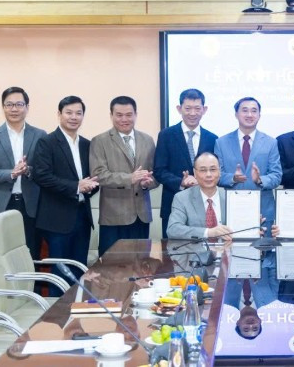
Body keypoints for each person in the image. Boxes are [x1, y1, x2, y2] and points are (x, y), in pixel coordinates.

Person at [31, 96, 99, 294]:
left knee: (79, 271)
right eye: (69, 113)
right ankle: (59, 313)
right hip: (57, 219)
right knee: (60, 274)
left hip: (82, 216)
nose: (74, 117)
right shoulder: (47, 142)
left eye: (78, 113)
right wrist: (76, 186)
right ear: (59, 114)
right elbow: (42, 176)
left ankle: (77, 309)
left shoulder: (87, 144)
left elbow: (92, 178)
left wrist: (91, 186)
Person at [0, 87, 47, 260]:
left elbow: (44, 171)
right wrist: (12, 173)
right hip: (2, 204)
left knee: (31, 254)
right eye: (9, 105)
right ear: (3, 107)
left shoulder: (40, 135)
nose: (14, 109)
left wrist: (28, 170)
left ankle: (32, 280)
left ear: (27, 107)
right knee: (2, 256)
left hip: (30, 205)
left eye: (19, 104)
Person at [91, 96, 157, 256]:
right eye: (119, 115)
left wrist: (147, 183)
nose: (124, 119)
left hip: (141, 216)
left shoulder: (148, 140)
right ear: (111, 115)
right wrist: (129, 178)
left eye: (129, 115)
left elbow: (155, 174)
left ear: (136, 115)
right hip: (113, 216)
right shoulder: (100, 141)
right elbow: (99, 175)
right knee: (112, 266)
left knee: (141, 264)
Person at [154, 88, 218, 238]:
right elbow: (159, 170)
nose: (192, 113)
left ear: (204, 110)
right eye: (188, 108)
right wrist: (181, 182)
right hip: (173, 204)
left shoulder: (213, 138)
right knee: (173, 249)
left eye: (197, 108)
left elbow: (216, 170)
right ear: (179, 108)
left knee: (207, 247)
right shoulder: (166, 135)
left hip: (205, 207)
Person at [214, 97, 282, 223]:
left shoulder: (271, 142)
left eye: (254, 111)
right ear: (236, 114)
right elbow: (216, 175)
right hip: (232, 208)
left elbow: (277, 175)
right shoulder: (221, 142)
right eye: (245, 110)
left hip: (263, 209)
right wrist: (233, 178)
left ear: (259, 115)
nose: (249, 115)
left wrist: (260, 179)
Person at [166, 152, 231, 240]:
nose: (208, 175)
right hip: (194, 248)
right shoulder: (182, 198)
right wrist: (209, 232)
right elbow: (173, 230)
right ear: (195, 173)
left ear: (219, 171)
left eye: (213, 169)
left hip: (227, 248)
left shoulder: (231, 197)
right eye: (203, 170)